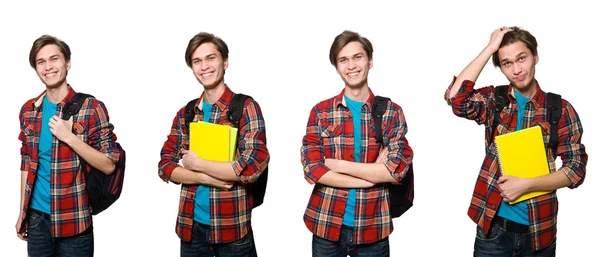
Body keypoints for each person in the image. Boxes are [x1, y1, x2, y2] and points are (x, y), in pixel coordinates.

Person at [444, 26, 588, 256]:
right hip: (493, 230)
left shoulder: (560, 109)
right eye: (507, 63)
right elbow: (456, 99)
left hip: (539, 231)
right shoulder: (495, 100)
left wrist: (527, 185)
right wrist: (490, 47)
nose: (517, 70)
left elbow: (576, 170)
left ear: (535, 56)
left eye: (521, 58)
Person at [300, 30, 414, 257]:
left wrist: (336, 165)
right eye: (343, 60)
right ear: (337, 67)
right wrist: (370, 178)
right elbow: (312, 169)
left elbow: (396, 171)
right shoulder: (321, 112)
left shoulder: (391, 112)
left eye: (357, 57)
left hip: (373, 227)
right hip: (326, 223)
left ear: (370, 61)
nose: (351, 65)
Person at [158, 32, 269, 257]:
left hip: (232, 229)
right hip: (191, 230)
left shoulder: (245, 107)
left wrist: (195, 163)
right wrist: (205, 177)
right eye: (197, 61)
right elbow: (165, 166)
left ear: (225, 61)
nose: (204, 67)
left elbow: (250, 167)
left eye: (211, 58)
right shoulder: (187, 113)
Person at [16, 34, 122, 257]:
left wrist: (69, 137)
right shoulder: (29, 110)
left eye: (54, 59)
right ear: (36, 68)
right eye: (40, 62)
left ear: (68, 63)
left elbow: (109, 165)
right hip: (36, 222)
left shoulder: (91, 108)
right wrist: (22, 212)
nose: (48, 67)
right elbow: (26, 163)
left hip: (75, 221)